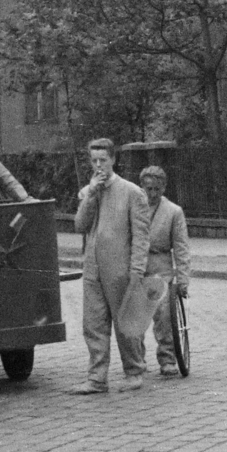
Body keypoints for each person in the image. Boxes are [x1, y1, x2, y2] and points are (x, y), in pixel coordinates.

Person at [69, 138, 152, 395]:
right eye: (93, 160)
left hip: (121, 269)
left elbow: (141, 236)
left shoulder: (132, 192)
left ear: (113, 160)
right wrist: (91, 194)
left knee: (126, 323)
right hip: (93, 269)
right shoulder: (89, 191)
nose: (98, 165)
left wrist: (137, 271)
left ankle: (134, 371)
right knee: (93, 324)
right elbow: (80, 225)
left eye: (102, 160)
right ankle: (96, 378)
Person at [139, 166, 190, 378]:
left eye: (157, 189)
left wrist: (183, 279)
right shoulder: (133, 207)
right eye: (148, 188)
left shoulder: (173, 212)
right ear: (142, 187)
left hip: (161, 268)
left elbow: (181, 247)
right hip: (137, 267)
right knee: (134, 319)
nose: (152, 194)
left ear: (164, 188)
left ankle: (168, 359)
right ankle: (136, 361)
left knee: (163, 316)